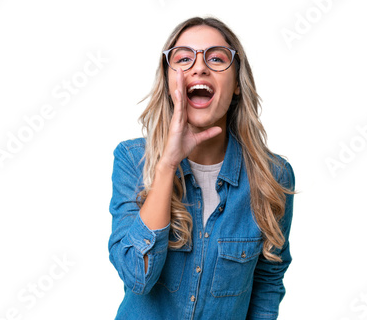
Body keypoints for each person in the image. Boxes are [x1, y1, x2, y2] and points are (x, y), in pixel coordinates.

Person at [108, 16, 295, 320]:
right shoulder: (133, 159)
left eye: (216, 58)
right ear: (169, 83)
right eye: (183, 58)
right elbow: (136, 277)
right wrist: (167, 165)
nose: (199, 67)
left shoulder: (273, 176)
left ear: (236, 85)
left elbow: (268, 282)